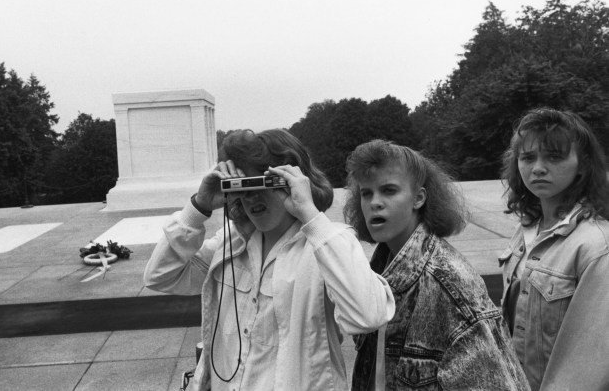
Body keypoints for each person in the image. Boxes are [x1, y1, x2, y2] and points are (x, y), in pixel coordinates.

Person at [144, 129, 395, 391]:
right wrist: (199, 207)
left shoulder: (327, 245)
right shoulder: (231, 242)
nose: (251, 197)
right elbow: (159, 277)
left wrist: (308, 212)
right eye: (243, 187)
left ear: (290, 181)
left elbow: (368, 316)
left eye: (262, 184)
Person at [347, 140, 529, 390]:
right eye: (367, 193)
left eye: (389, 190)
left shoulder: (447, 282)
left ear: (418, 198)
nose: (375, 202)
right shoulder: (378, 271)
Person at [499, 107, 609, 390]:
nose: (537, 168)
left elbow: (589, 362)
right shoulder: (524, 231)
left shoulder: (596, 245)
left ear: (582, 165)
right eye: (527, 157)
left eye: (554, 157)